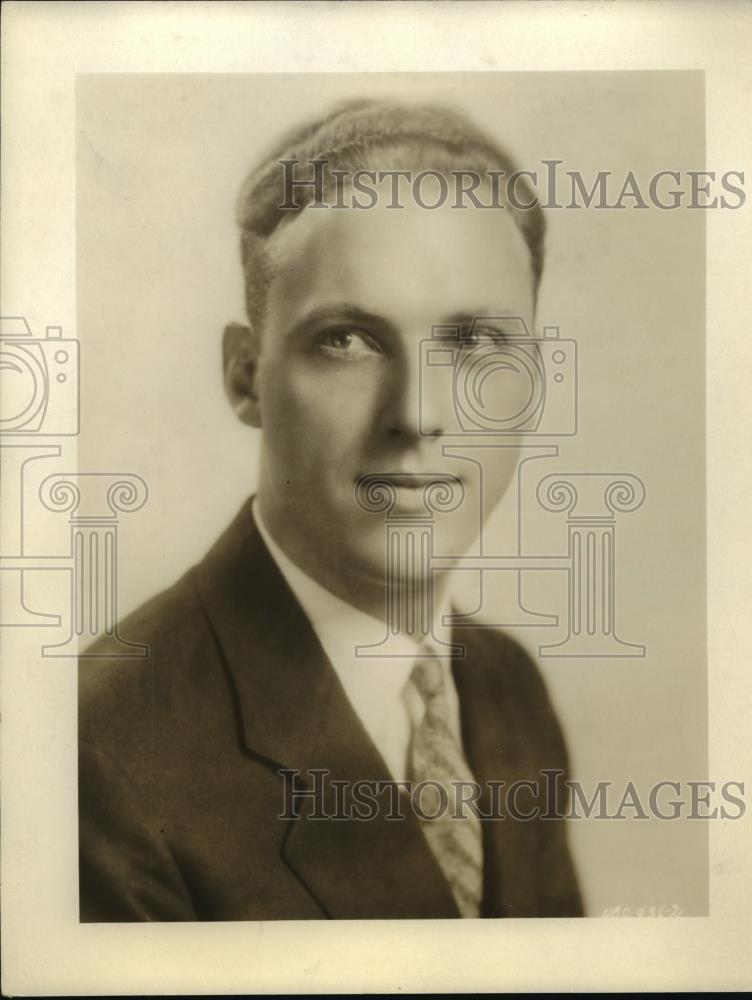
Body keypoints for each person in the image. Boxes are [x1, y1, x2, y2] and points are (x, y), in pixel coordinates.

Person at [78, 99, 584, 920]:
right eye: (347, 340)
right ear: (246, 377)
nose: (418, 414)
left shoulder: (506, 689)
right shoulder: (97, 760)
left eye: (476, 344)